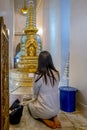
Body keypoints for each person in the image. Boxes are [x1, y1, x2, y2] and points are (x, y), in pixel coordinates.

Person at [27, 51, 61, 128]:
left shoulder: (38, 75)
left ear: (40, 62)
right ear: (50, 60)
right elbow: (54, 88)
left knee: (29, 105)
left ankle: (43, 119)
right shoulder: (57, 73)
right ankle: (54, 116)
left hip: (44, 111)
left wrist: (34, 98)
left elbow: (35, 92)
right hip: (56, 109)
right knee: (50, 103)